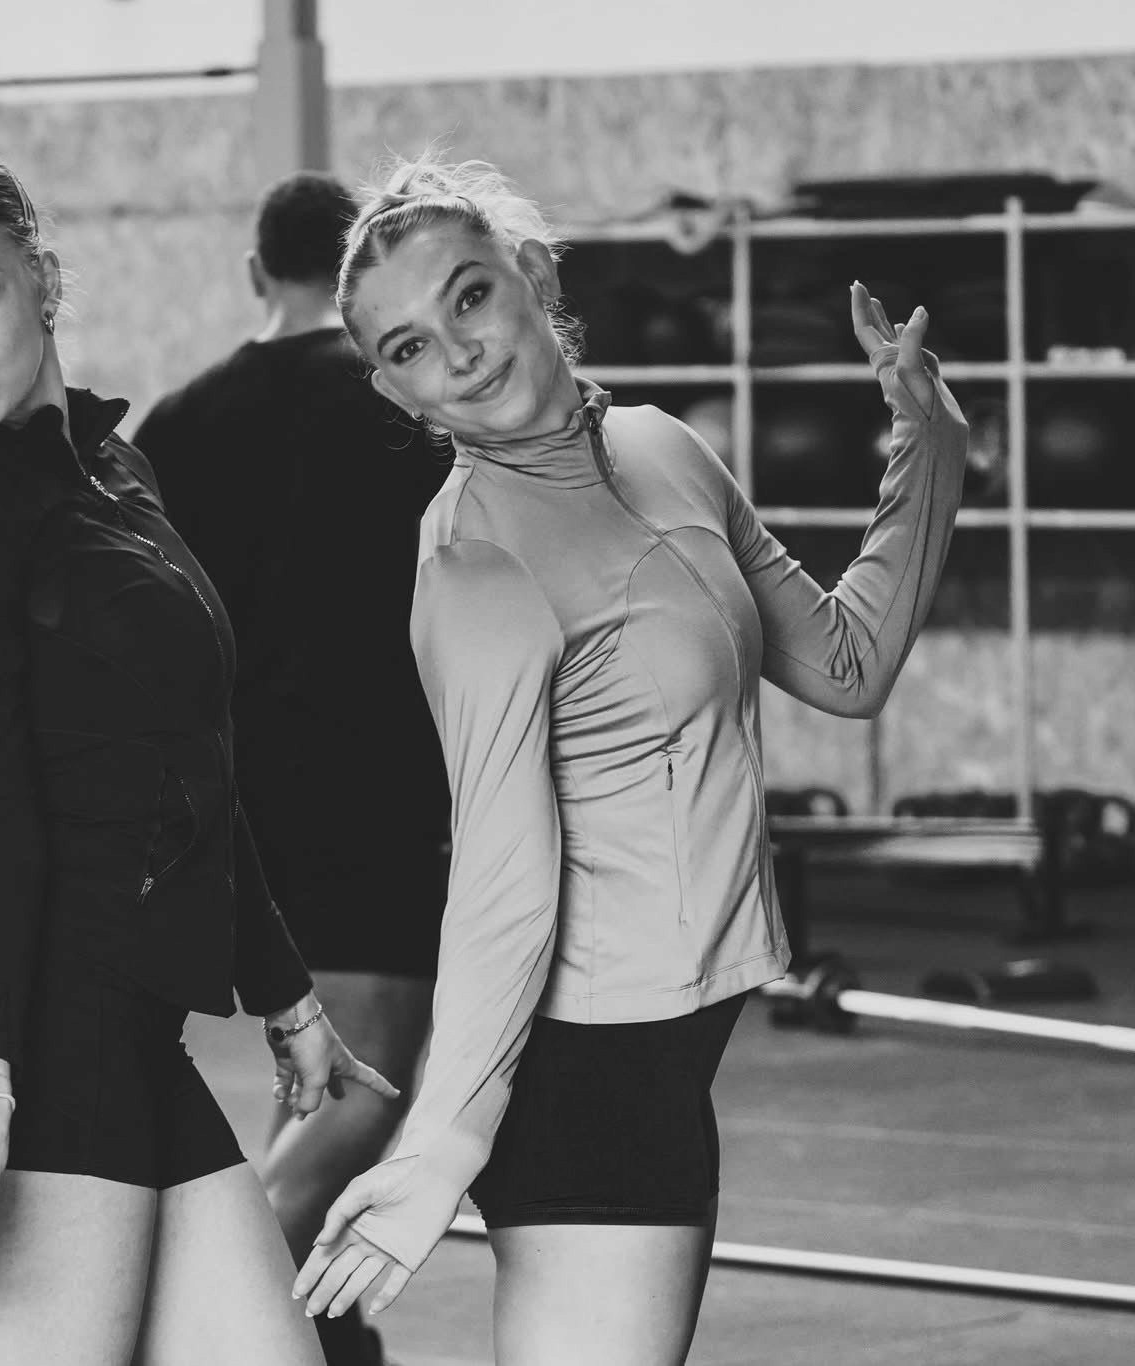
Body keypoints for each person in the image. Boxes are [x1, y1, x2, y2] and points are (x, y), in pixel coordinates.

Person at [293, 156, 966, 1364]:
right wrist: (441, 1141)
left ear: (533, 276)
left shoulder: (662, 449)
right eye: (401, 349)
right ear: (392, 396)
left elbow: (845, 666)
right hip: (577, 1074)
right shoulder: (473, 563)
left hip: (670, 1049)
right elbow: (499, 871)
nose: (451, 352)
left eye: (466, 297)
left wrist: (926, 438)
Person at [0, 143, 398, 1365]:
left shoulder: (110, 469)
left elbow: (193, 758)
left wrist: (284, 989)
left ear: (40, 280)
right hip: (21, 1036)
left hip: (127, 1024)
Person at [134, 170, 452, 1366]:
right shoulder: (395, 408)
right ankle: (223, 1306)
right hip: (372, 788)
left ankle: (324, 1336)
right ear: (356, 273)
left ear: (253, 274)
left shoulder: (175, 421)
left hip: (231, 810)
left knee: (319, 1085)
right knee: (370, 1085)